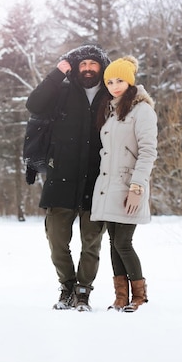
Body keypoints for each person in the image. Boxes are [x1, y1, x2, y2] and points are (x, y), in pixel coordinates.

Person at [25, 44, 111, 311]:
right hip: (61, 177)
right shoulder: (61, 90)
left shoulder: (111, 94)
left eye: (92, 65)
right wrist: (57, 72)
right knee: (56, 240)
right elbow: (34, 104)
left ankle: (83, 291)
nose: (87, 70)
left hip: (97, 180)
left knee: (91, 242)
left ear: (101, 67)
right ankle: (67, 286)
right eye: (82, 65)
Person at [91, 56, 158, 312]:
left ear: (130, 81)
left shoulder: (142, 110)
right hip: (109, 187)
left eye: (119, 80)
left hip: (129, 186)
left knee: (123, 243)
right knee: (113, 243)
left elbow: (148, 151)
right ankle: (121, 297)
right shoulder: (110, 110)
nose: (114, 85)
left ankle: (139, 296)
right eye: (109, 81)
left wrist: (137, 188)